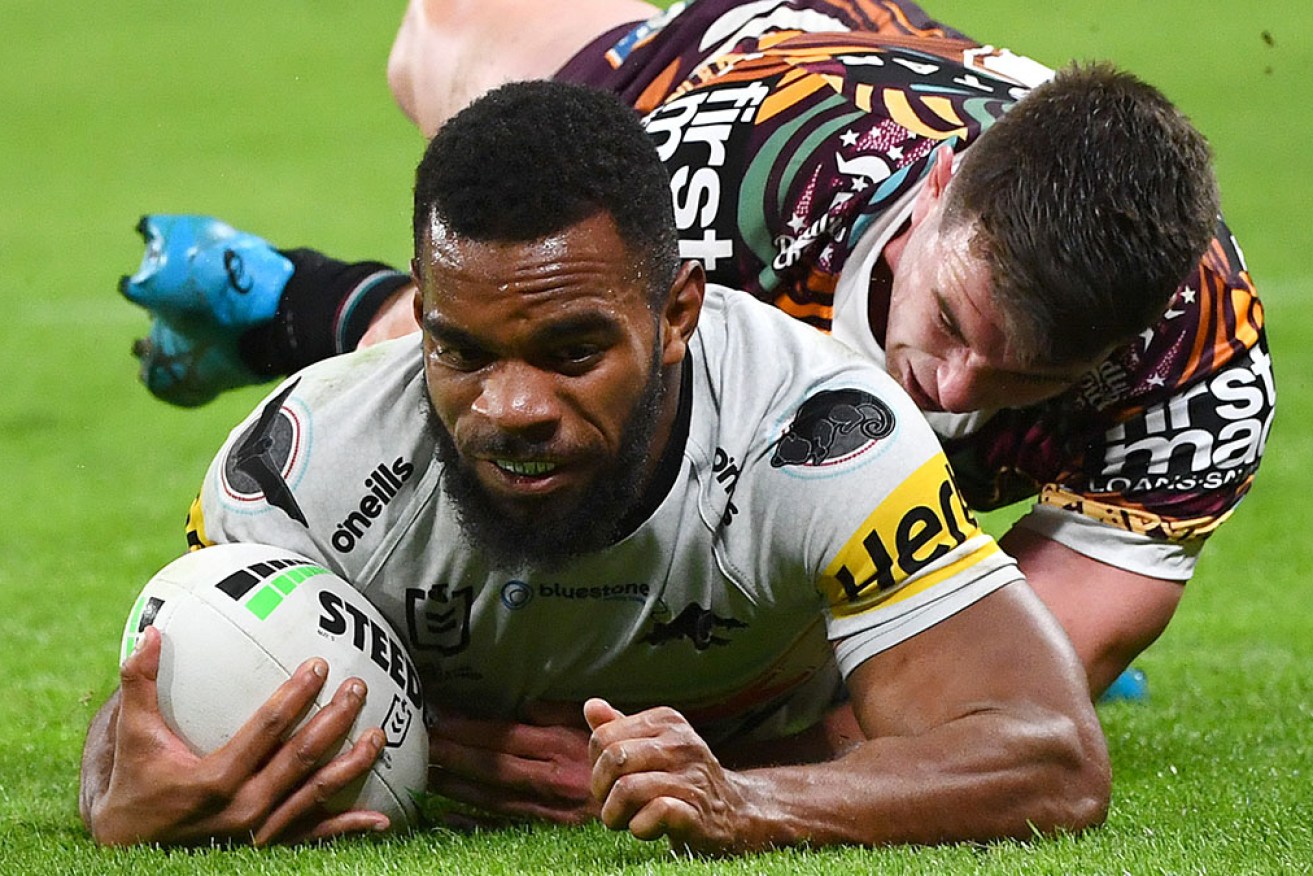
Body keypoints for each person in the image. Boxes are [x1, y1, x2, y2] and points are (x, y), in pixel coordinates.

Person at [83, 80, 1110, 852]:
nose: (513, 409)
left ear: (674, 315)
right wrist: (118, 794)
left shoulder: (813, 435)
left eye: (571, 352)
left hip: (786, 700)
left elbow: (1046, 754)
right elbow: (147, 704)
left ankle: (927, 603)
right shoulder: (301, 473)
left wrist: (745, 794)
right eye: (461, 350)